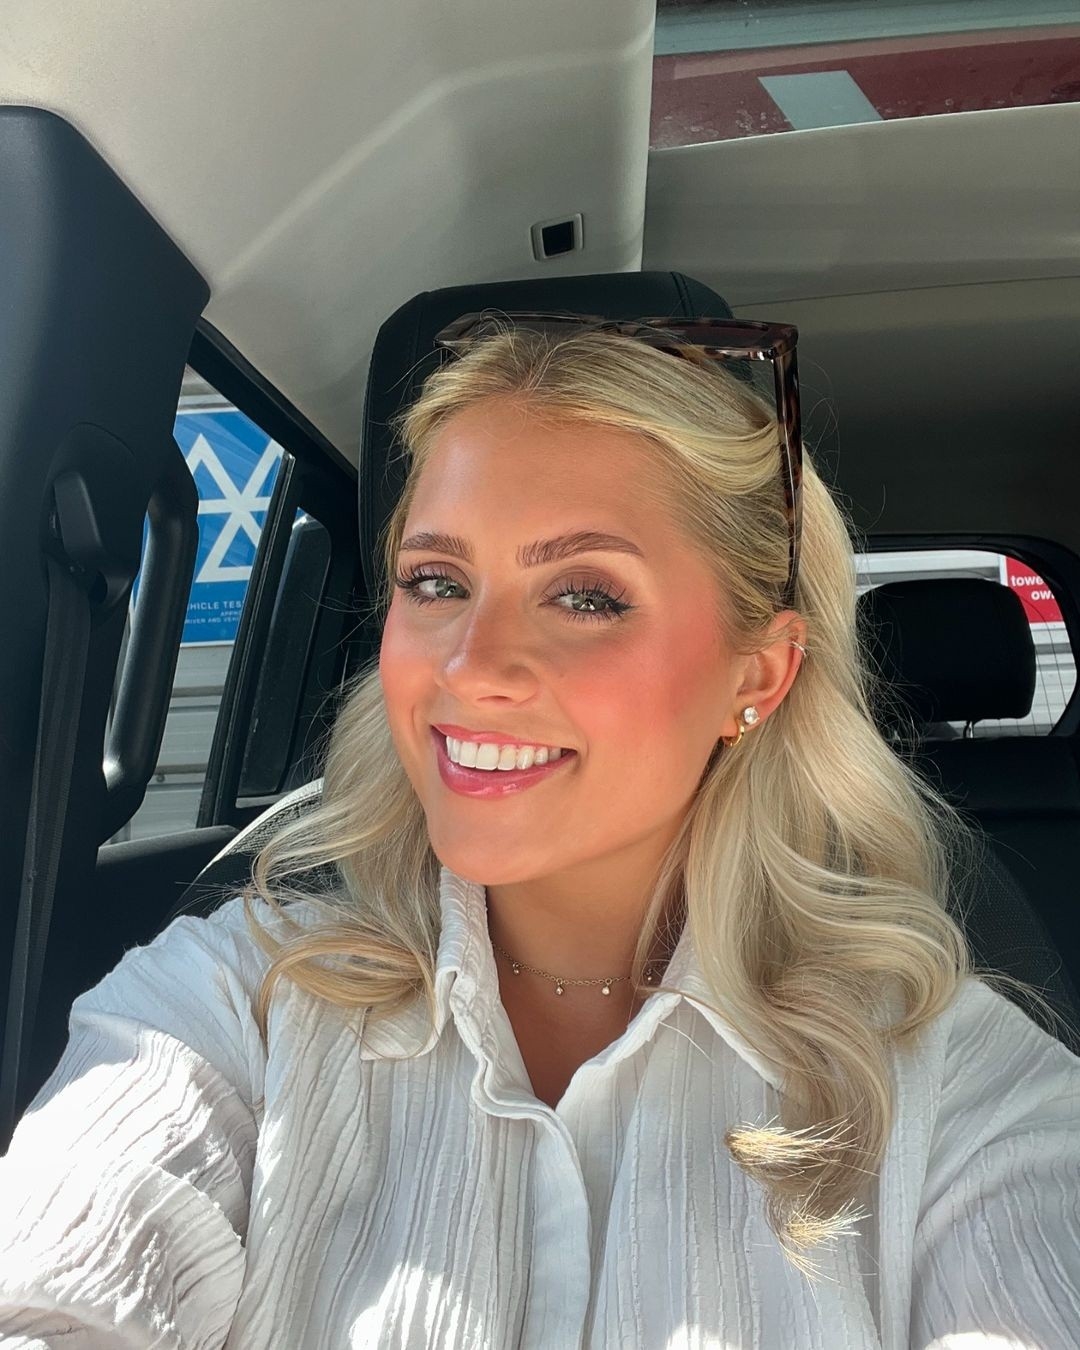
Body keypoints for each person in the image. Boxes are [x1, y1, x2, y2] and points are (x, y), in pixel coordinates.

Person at [0, 317, 1077, 1349]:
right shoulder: (237, 1004)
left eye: (586, 596)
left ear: (756, 676)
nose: (470, 667)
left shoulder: (958, 1093)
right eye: (437, 582)